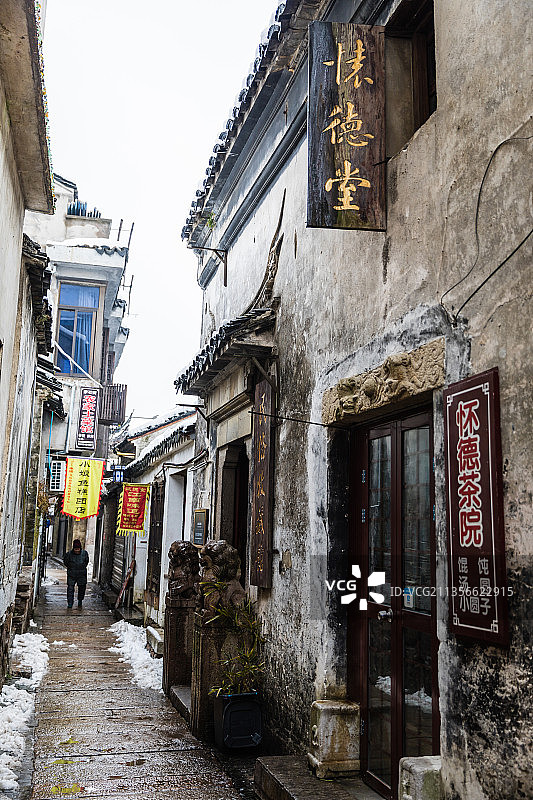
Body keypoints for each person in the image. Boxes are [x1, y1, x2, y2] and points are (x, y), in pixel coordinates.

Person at [63, 539, 89, 608]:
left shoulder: (84, 553)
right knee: (70, 589)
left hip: (82, 574)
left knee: (82, 588)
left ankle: (80, 600)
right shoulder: (69, 554)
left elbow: (86, 561)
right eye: (75, 549)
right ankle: (70, 603)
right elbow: (66, 562)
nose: (77, 550)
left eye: (78, 549)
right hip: (71, 574)